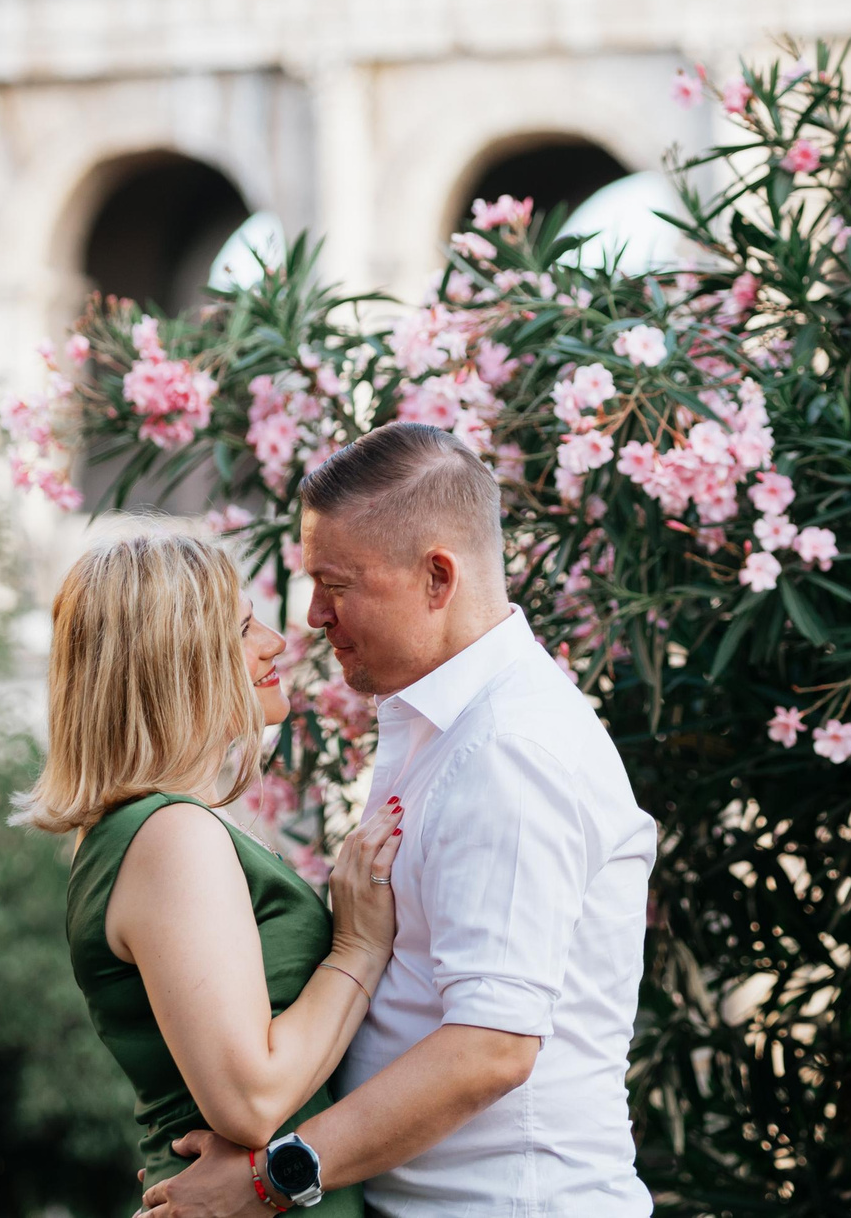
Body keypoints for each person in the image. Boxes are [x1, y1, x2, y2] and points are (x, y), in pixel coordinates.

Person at [143, 422, 658, 1217]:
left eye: (336, 583)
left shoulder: (511, 748)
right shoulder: (440, 724)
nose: (312, 615)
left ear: (438, 577)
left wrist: (269, 1179)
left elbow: (490, 1048)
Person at [23, 532, 406, 1216]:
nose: (274, 642)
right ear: (175, 661)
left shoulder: (141, 832)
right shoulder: (169, 835)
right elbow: (252, 1099)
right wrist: (359, 948)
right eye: (241, 627)